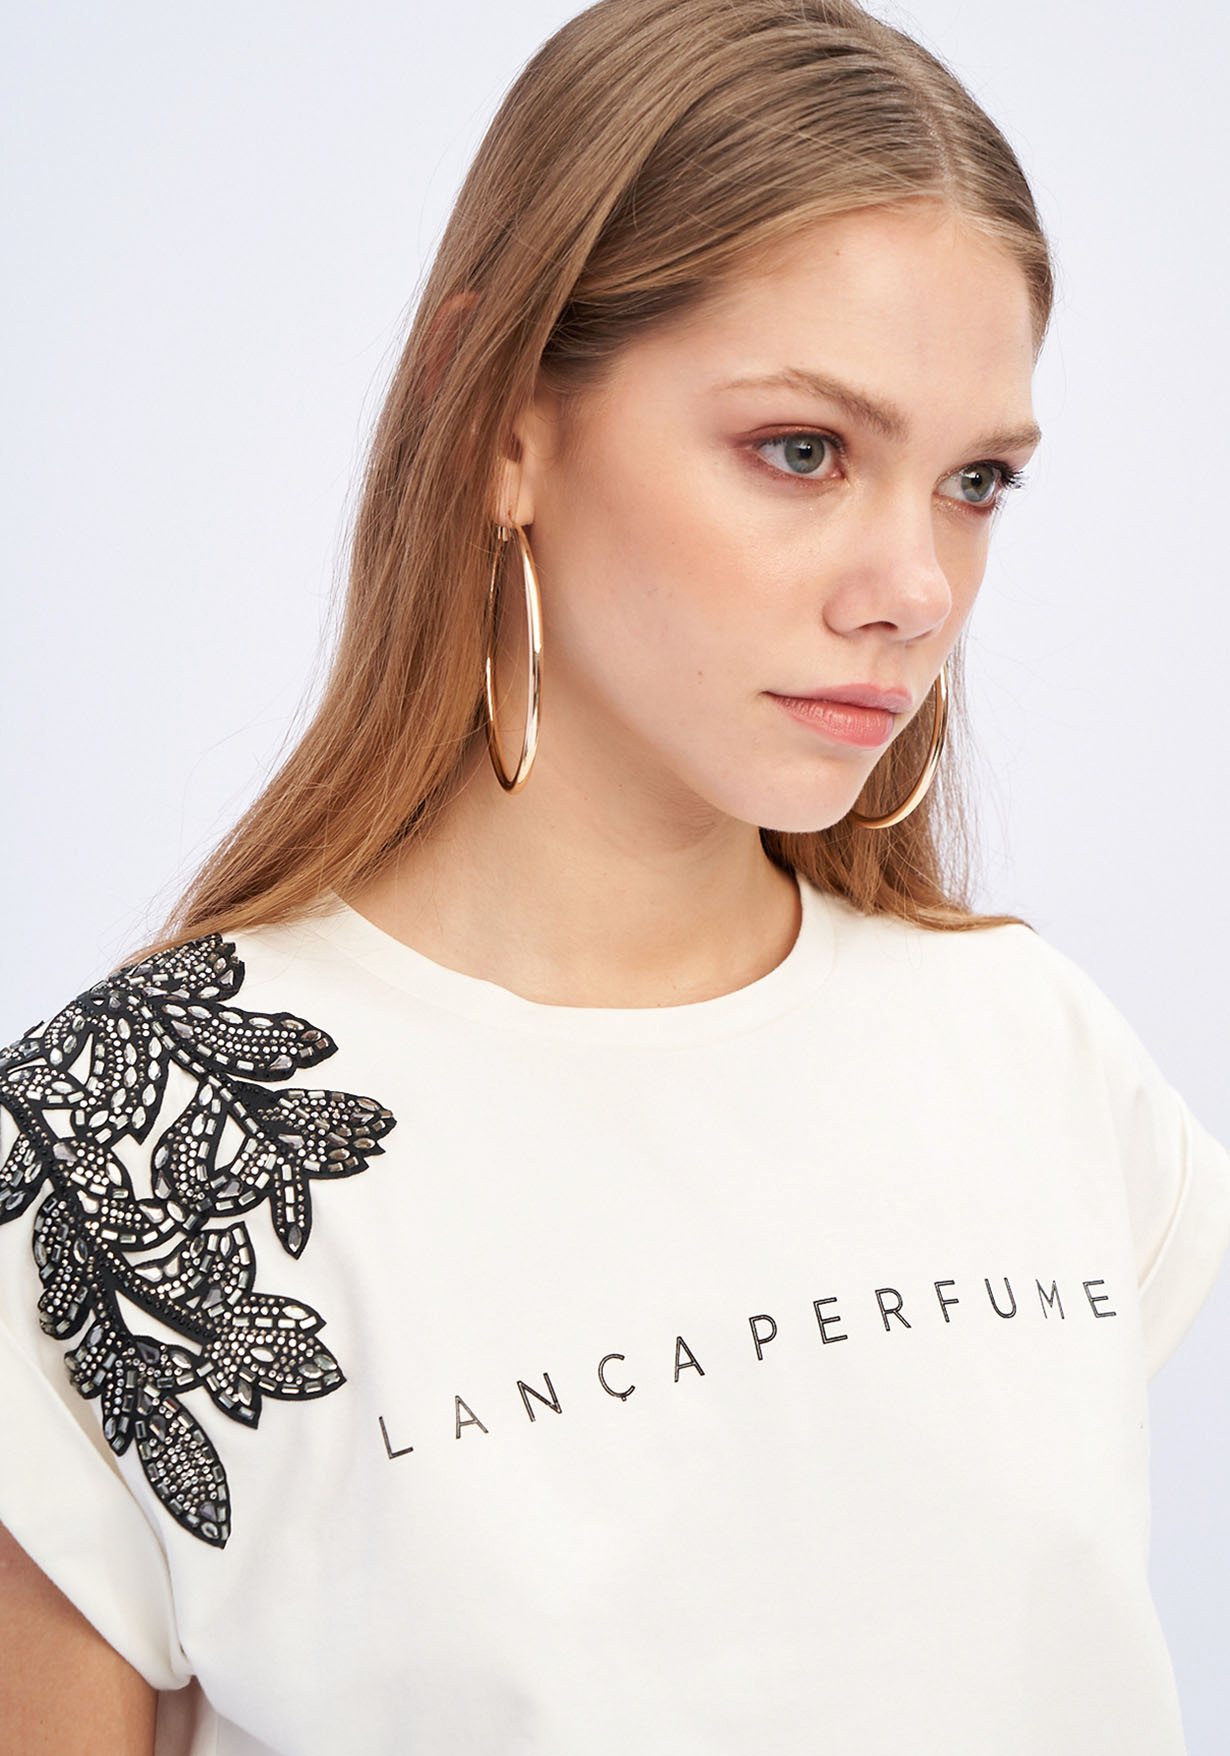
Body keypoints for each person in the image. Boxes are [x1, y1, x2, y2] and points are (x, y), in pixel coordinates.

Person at [1, 0, 1226, 1749]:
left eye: (974, 483)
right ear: (501, 421)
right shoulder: (123, 1146)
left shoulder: (1035, 1055)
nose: (913, 588)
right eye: (801, 450)